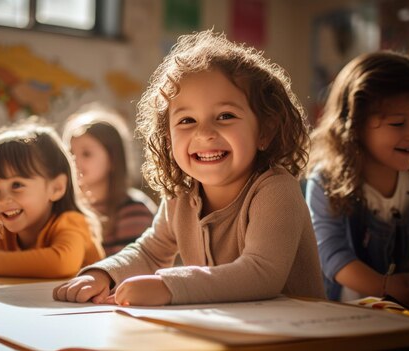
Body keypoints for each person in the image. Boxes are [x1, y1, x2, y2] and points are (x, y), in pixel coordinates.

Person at [53, 30, 325, 306]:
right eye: (186, 121)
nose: (204, 133)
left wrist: (169, 286)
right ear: (167, 137)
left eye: (225, 116)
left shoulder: (276, 189)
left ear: (265, 131)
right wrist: (104, 274)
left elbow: (261, 273)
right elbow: (149, 253)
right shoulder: (180, 195)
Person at [305, 51, 409, 314]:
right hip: (346, 314)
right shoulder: (326, 180)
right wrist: (386, 285)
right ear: (355, 125)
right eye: (397, 123)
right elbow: (331, 256)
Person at [0, 118, 105, 278]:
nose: (3, 200)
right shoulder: (2, 233)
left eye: (17, 185)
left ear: (56, 188)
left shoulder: (71, 223)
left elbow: (60, 263)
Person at [62, 103, 157, 256]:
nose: (75, 161)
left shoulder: (134, 210)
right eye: (70, 153)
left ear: (112, 159)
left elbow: (128, 269)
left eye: (86, 154)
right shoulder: (67, 209)